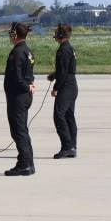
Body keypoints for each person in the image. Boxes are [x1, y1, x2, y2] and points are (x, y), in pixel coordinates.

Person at [4, 22, 36, 176]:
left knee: (19, 131)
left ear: (15, 34)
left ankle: (25, 164)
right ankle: (26, 162)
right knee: (22, 130)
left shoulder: (16, 53)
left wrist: (25, 86)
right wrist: (29, 85)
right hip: (24, 96)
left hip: (18, 97)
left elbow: (17, 77)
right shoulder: (27, 51)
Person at [48, 23, 79, 159]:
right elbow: (64, 69)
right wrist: (54, 75)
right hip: (72, 84)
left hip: (66, 86)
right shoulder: (69, 48)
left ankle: (67, 146)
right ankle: (72, 146)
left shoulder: (63, 50)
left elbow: (64, 72)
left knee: (58, 115)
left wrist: (56, 88)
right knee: (68, 116)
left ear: (61, 36)